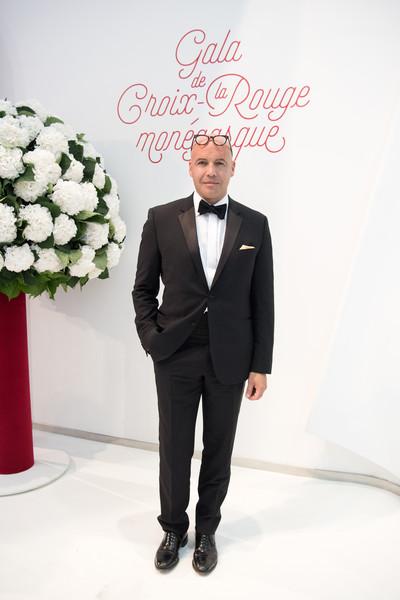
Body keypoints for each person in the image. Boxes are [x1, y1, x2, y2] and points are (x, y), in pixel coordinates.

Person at [132, 133, 274, 574]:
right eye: (201, 162)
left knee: (219, 447)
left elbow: (262, 300)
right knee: (173, 446)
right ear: (189, 167)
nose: (210, 170)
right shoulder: (160, 218)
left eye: (219, 162)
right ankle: (174, 527)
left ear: (234, 167)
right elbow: (142, 289)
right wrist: (153, 339)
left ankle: (207, 530)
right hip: (175, 353)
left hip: (231, 357)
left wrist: (260, 365)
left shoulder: (255, 224)